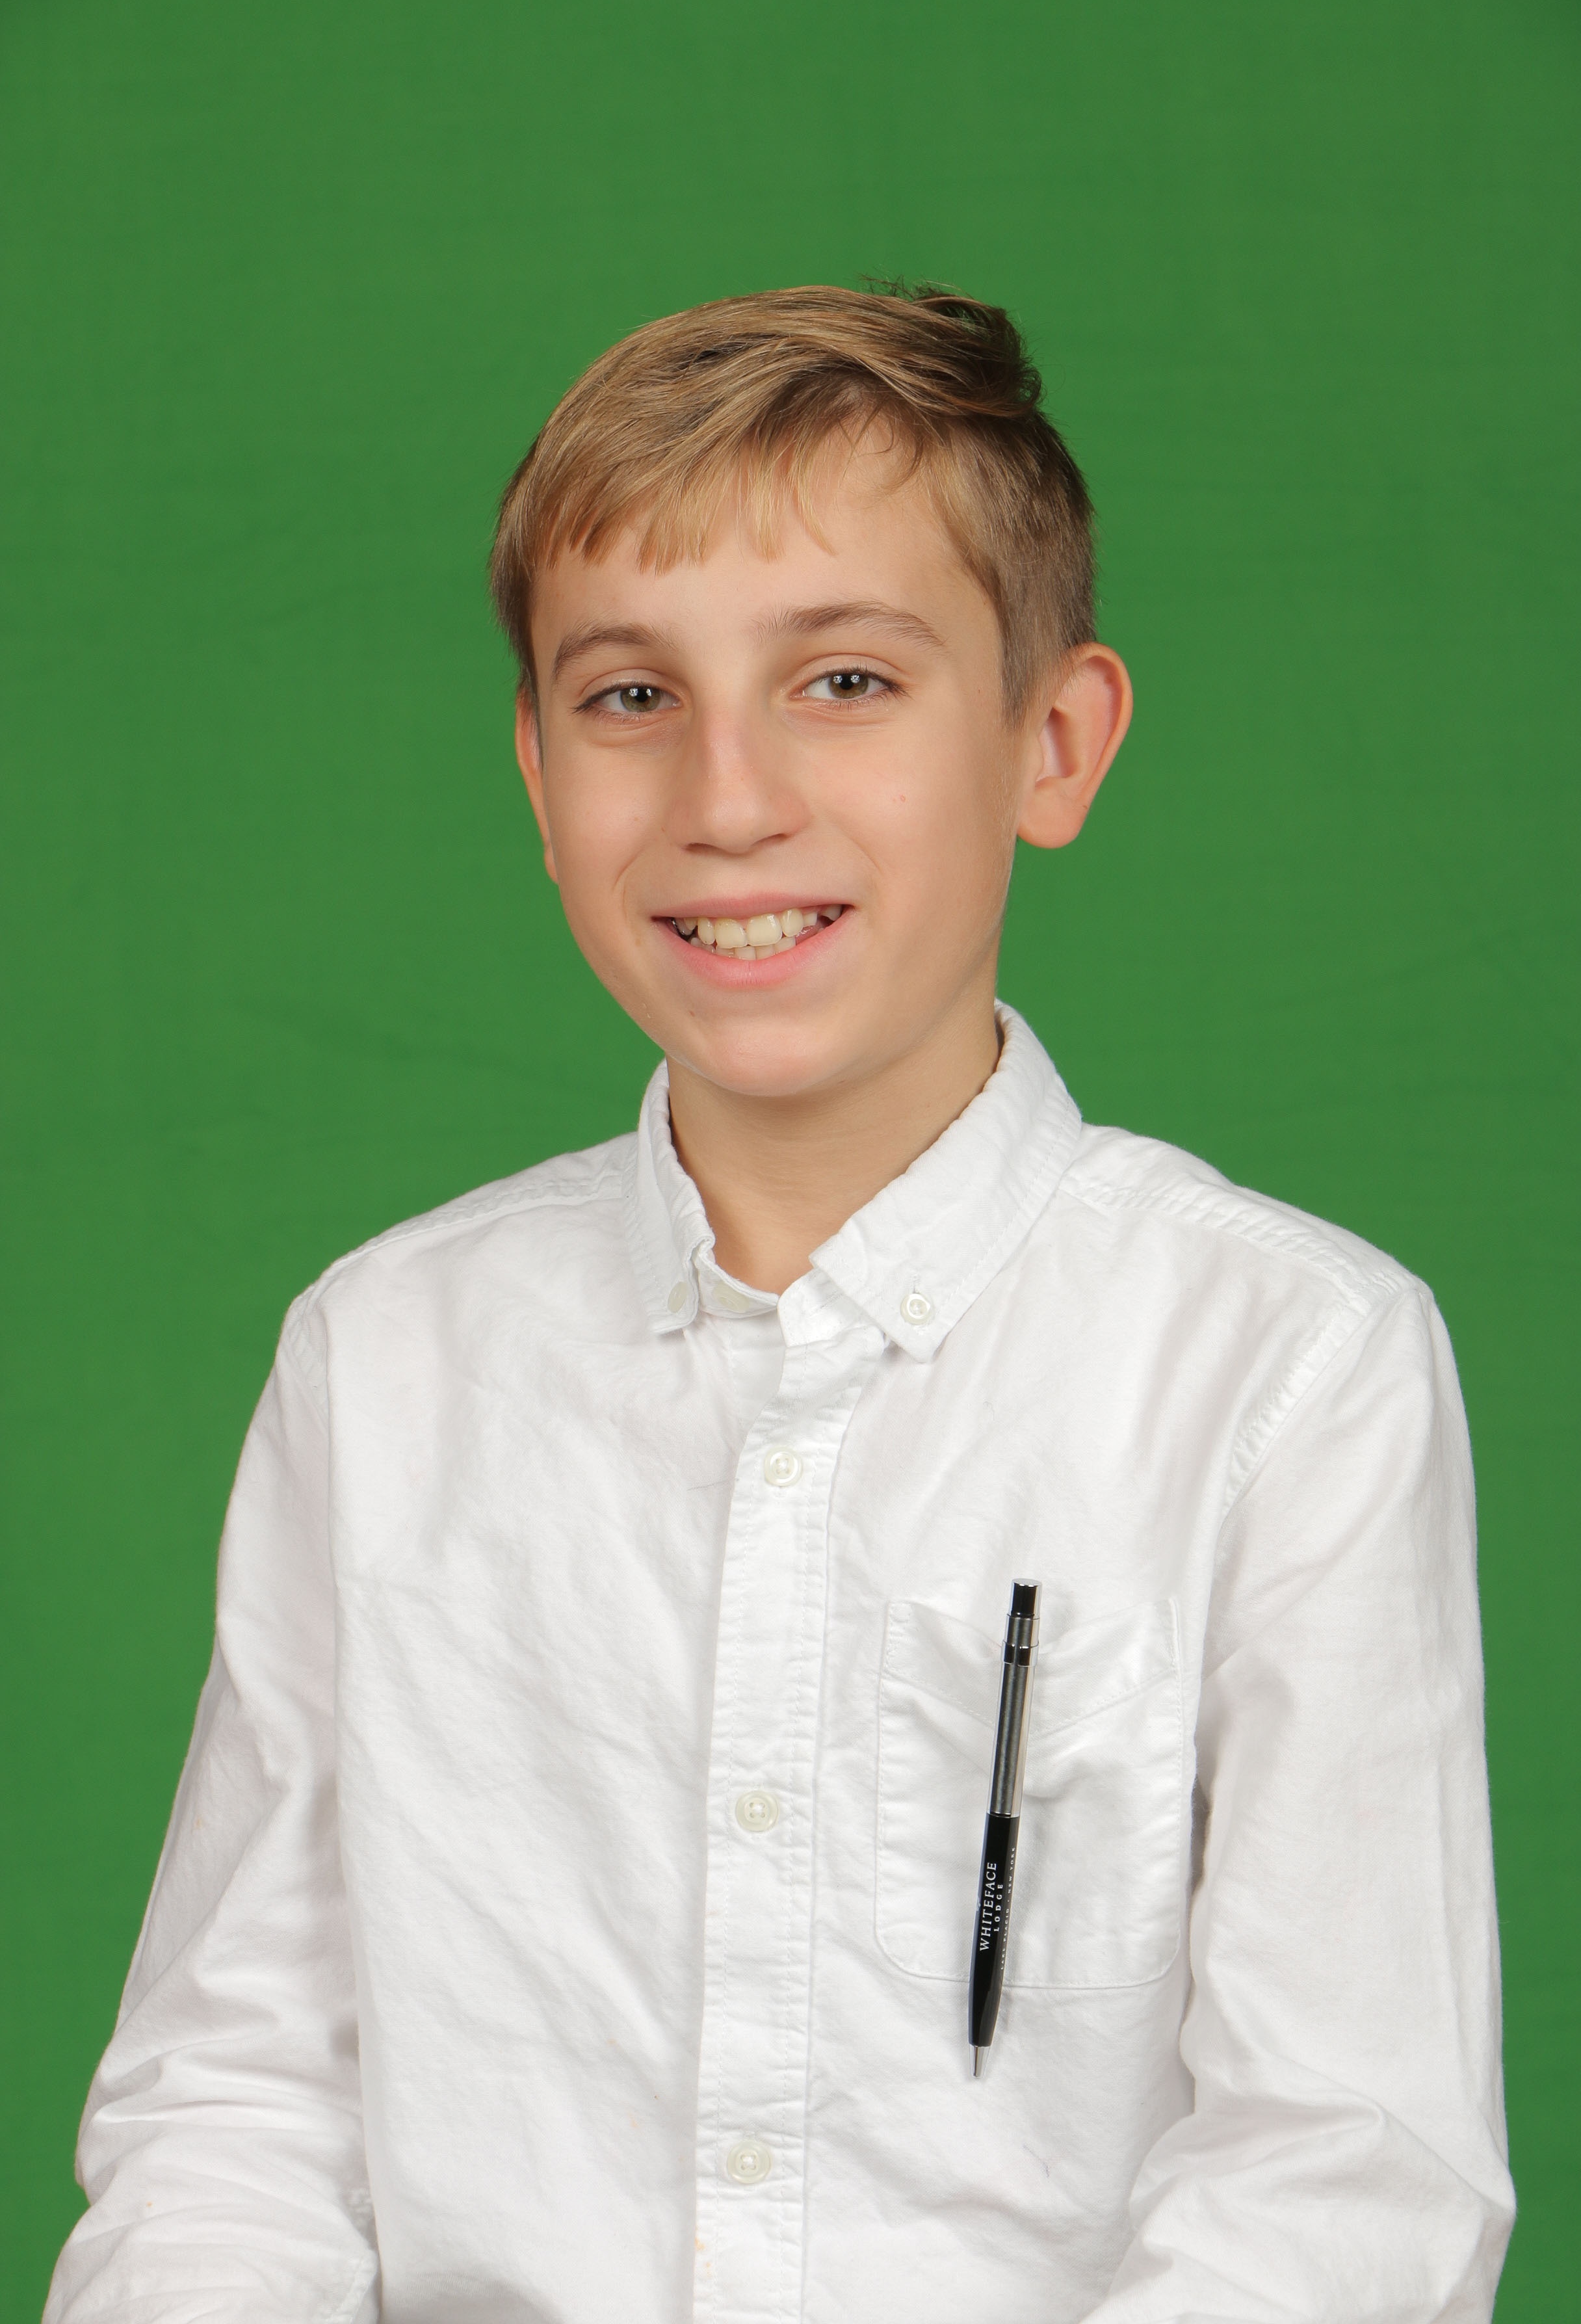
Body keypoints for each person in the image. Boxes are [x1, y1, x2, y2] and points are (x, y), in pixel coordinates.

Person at [46, 285, 1514, 2322]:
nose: (727, 798)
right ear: (539, 775)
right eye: (629, 696)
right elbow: (241, 2107)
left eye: (843, 679)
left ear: (1053, 741)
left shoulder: (1285, 1367)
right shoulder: (384, 1361)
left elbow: (1344, 2175)